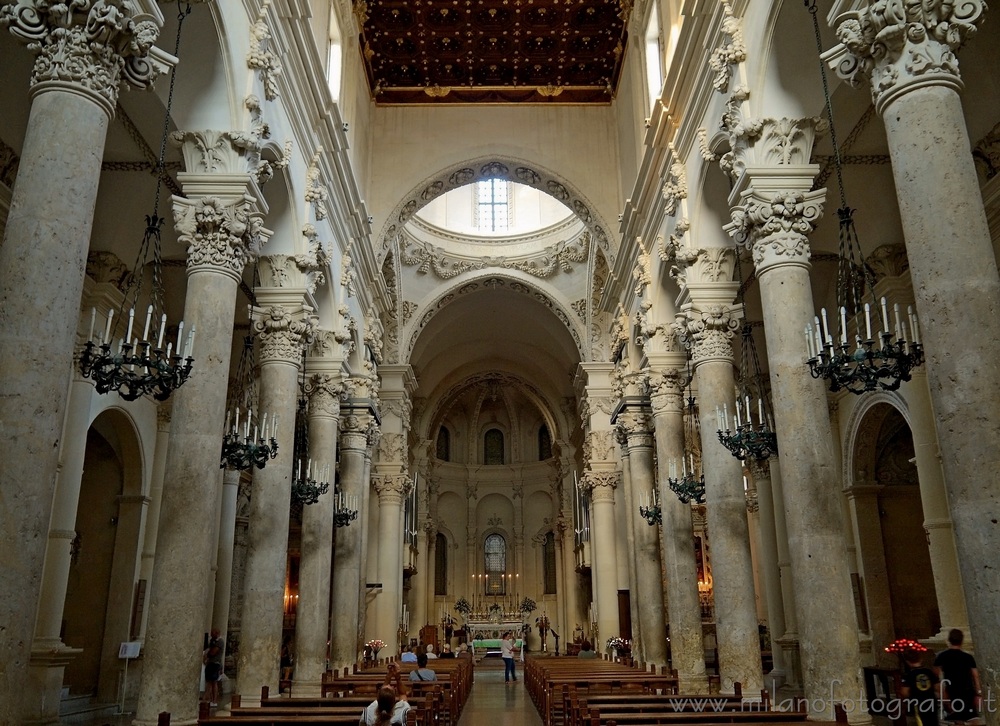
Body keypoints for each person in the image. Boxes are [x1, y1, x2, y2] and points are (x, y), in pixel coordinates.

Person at [934, 629, 981, 723]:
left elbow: (935, 678)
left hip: (951, 692)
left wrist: (943, 695)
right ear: (962, 640)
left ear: (949, 640)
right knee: (973, 719)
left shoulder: (942, 656)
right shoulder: (968, 657)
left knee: (957, 720)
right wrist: (978, 693)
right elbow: (975, 676)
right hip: (968, 692)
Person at [901, 649, 939, 726]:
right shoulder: (929, 672)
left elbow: (904, 692)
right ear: (921, 659)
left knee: (921, 722)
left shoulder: (909, 675)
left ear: (907, 662)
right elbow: (938, 687)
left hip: (919, 704)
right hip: (931, 701)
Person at [203, 628, 224, 707]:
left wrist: (207, 654)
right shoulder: (212, 641)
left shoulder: (220, 642)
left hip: (215, 664)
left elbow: (213, 652)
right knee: (209, 681)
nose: (211, 635)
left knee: (214, 682)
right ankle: (208, 699)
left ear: (217, 633)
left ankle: (214, 700)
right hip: (210, 663)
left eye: (213, 633)